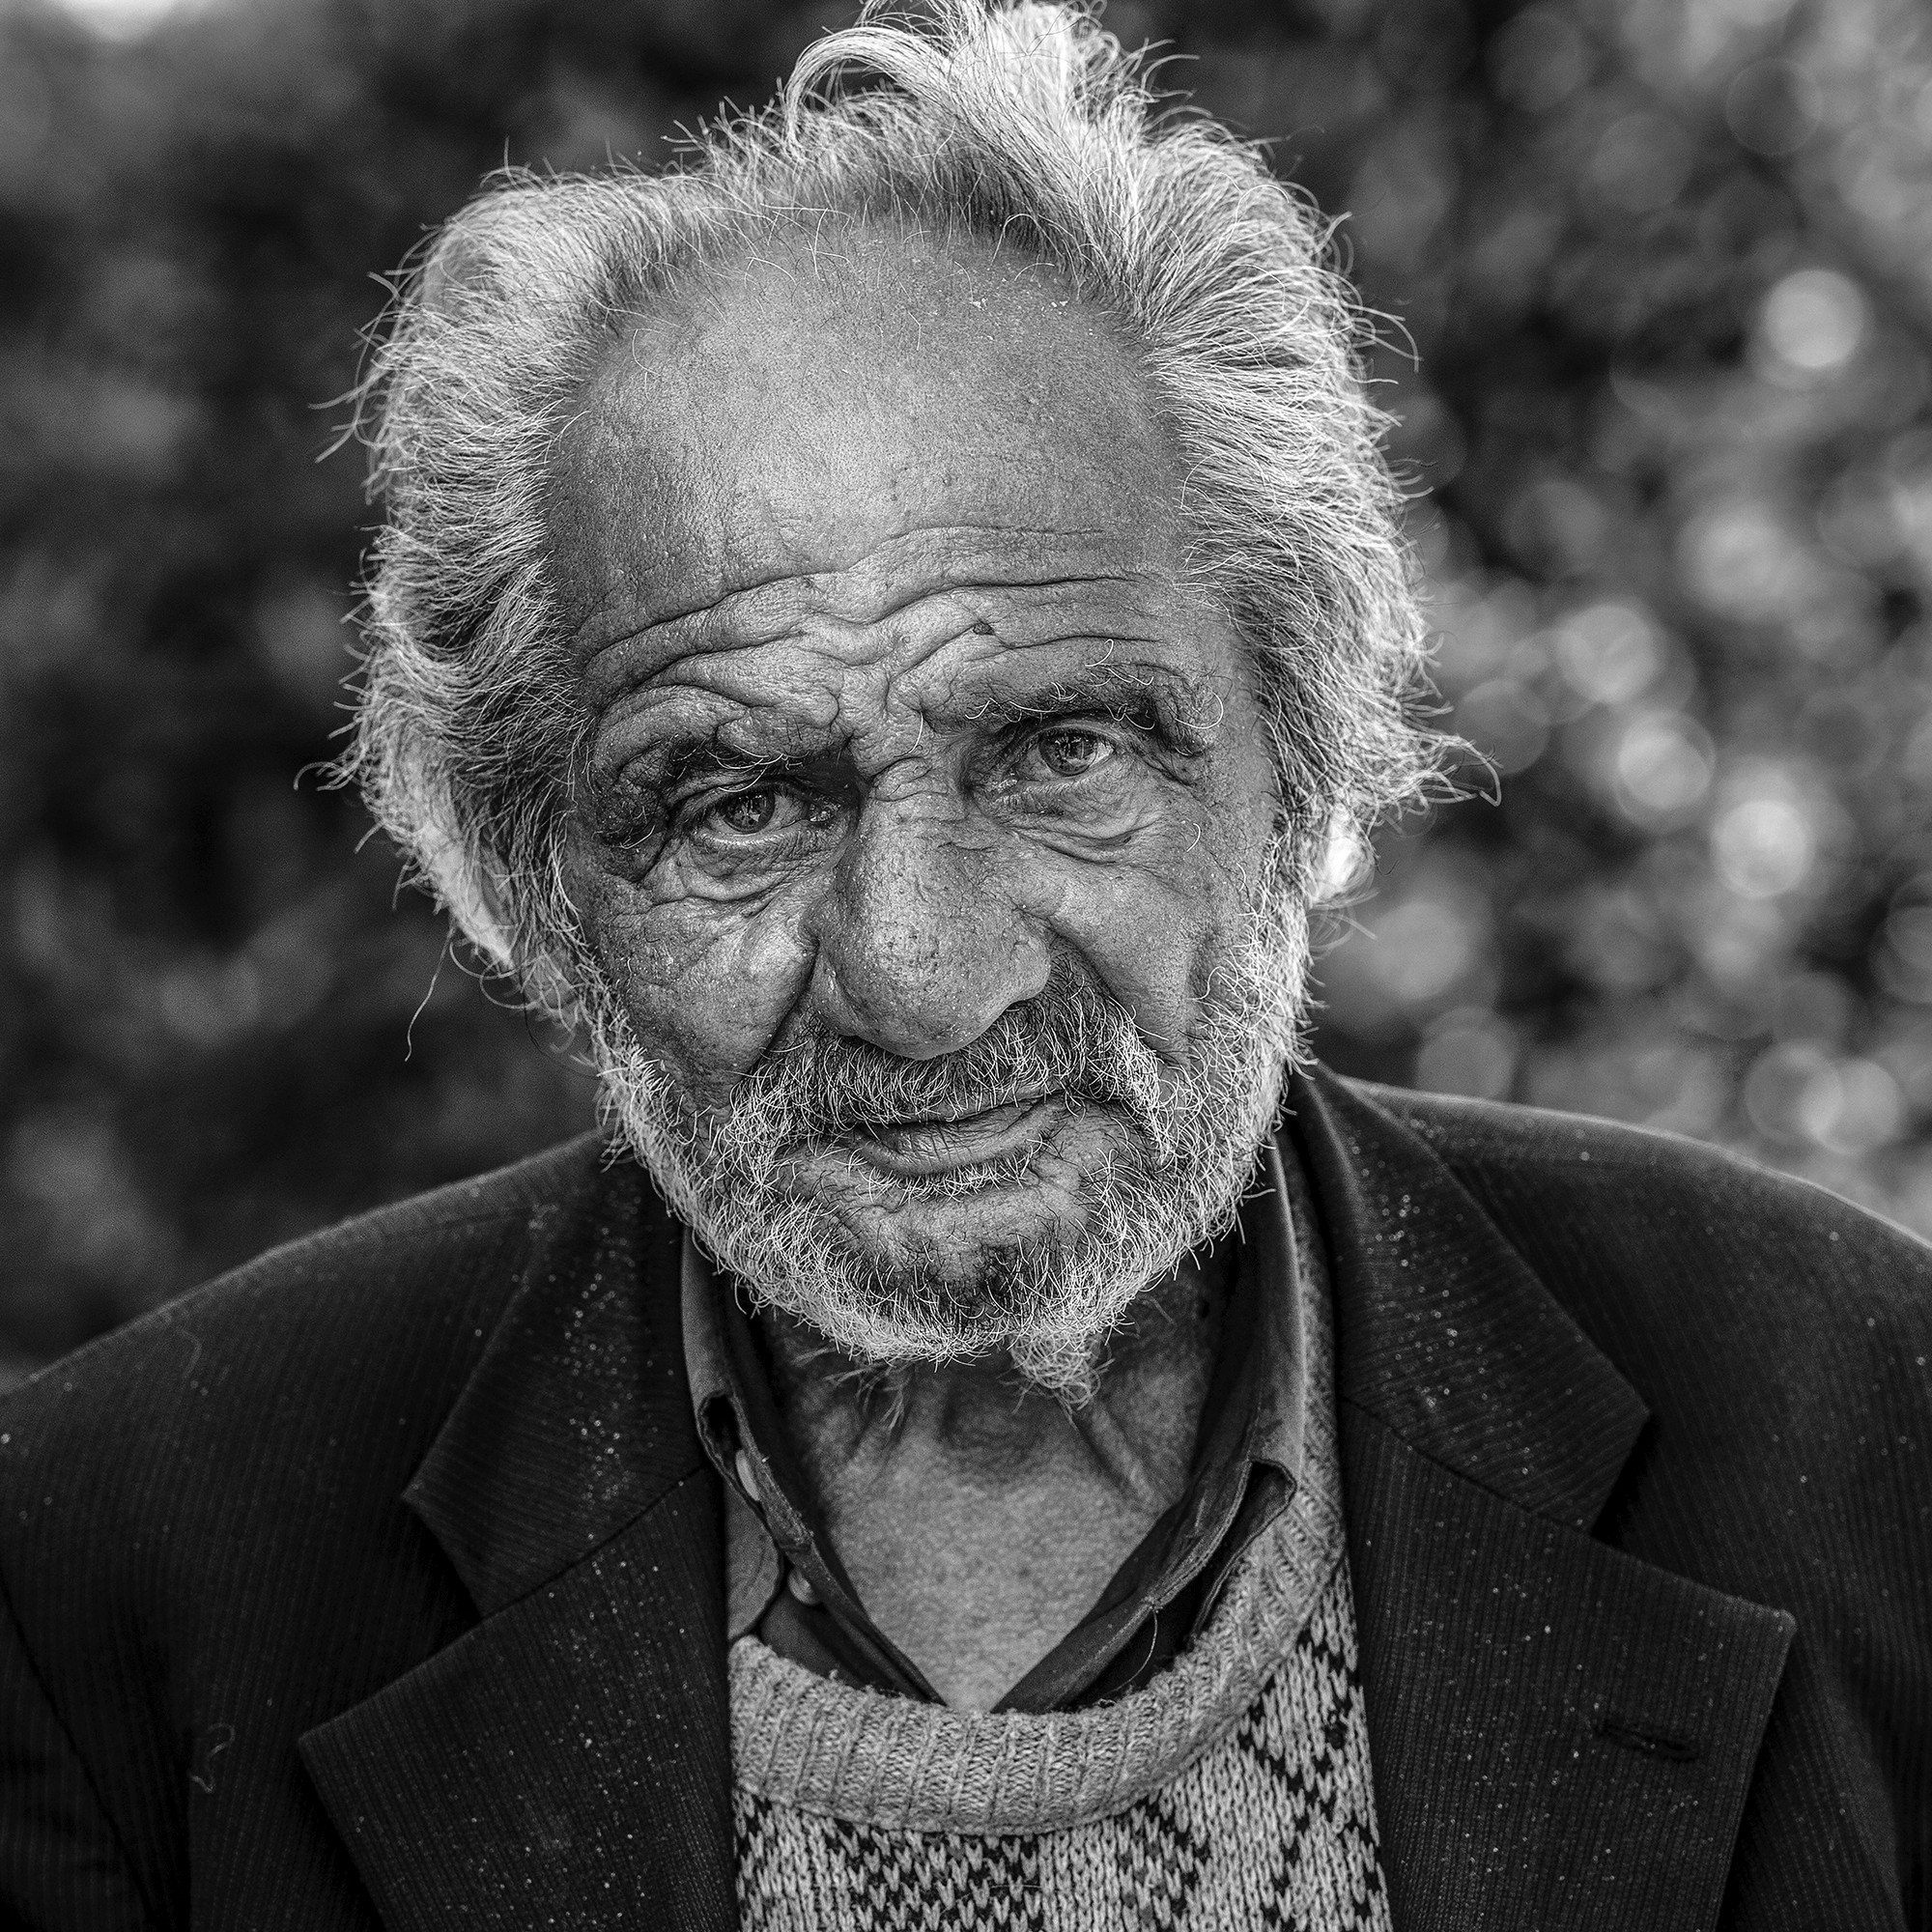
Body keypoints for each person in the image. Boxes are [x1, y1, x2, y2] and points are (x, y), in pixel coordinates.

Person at [3, 3, 1927, 1925]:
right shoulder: (116, 1573)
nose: (921, 978)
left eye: (1062, 751)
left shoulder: (1855, 1435)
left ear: (1302, 760)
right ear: (525, 884)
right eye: (733, 802)